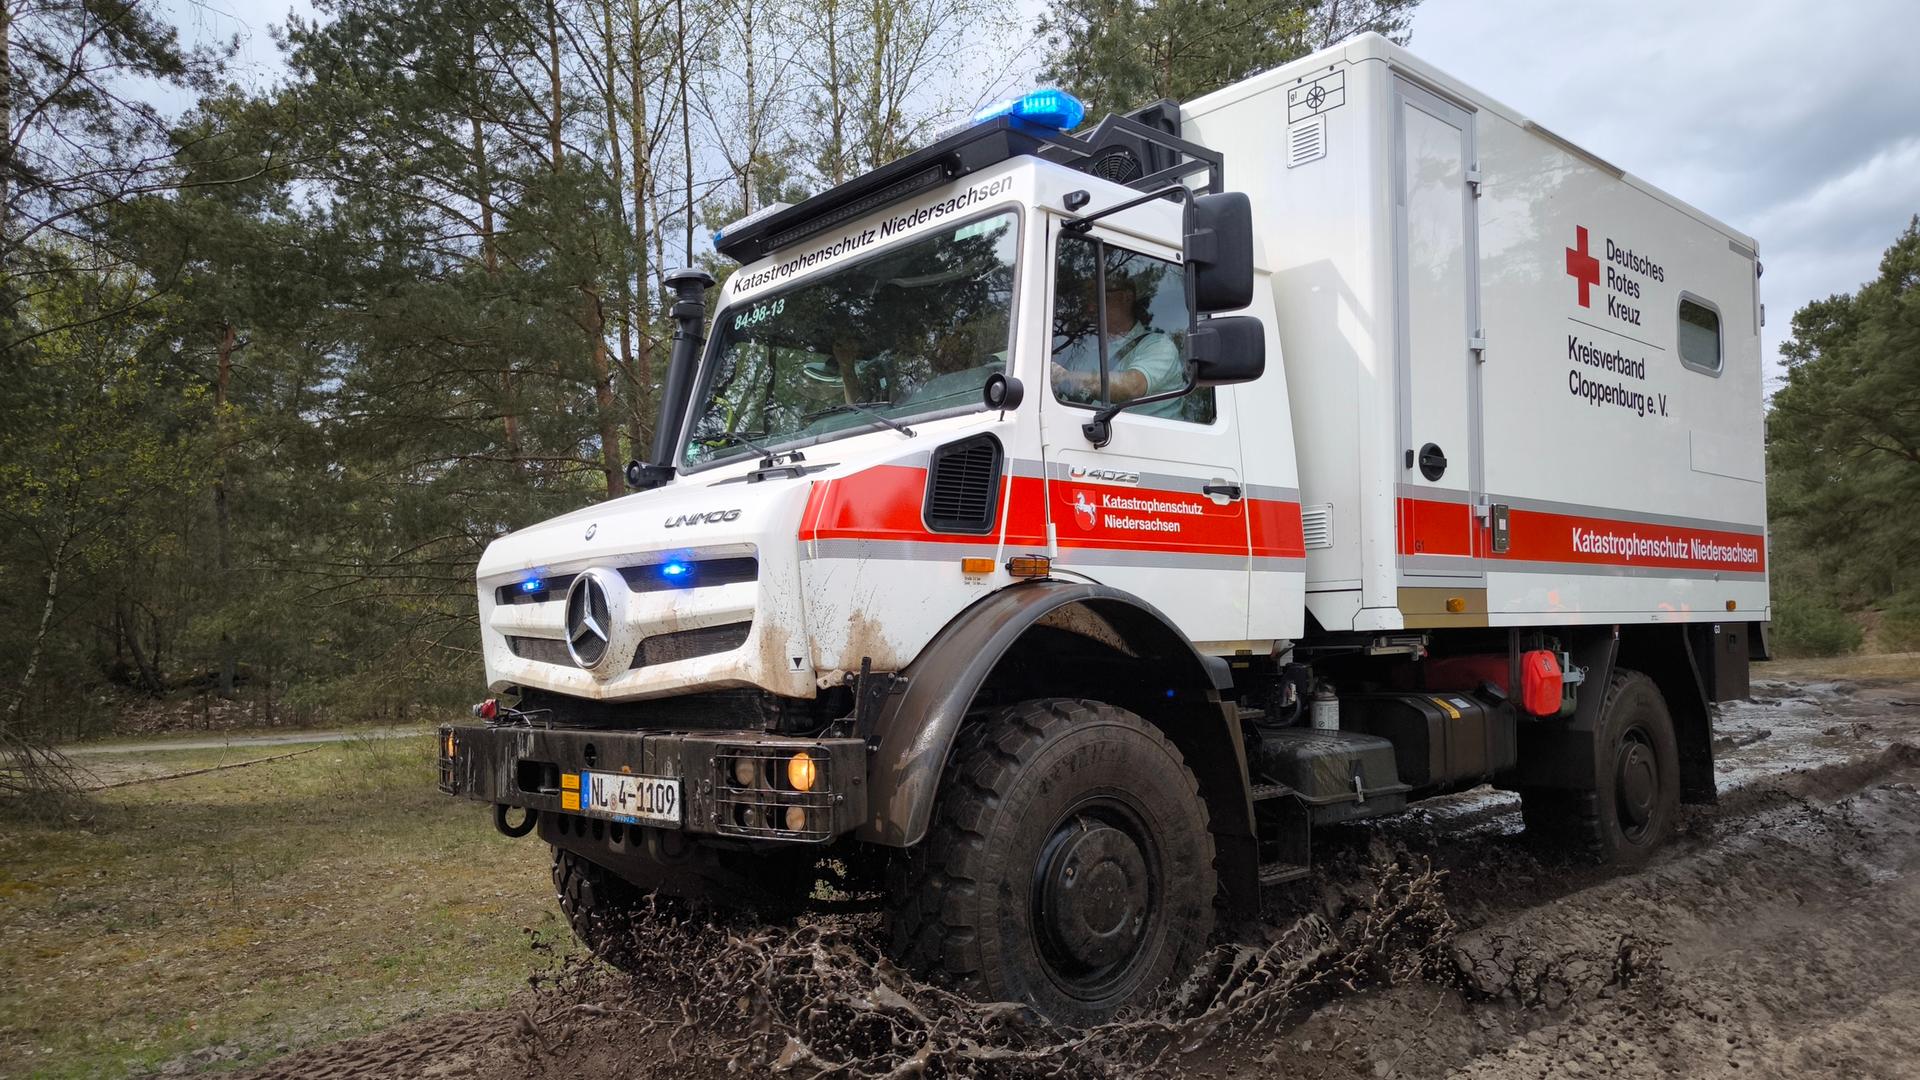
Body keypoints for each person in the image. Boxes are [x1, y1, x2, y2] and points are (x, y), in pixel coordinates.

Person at [1050, 269, 1185, 419]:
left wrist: (1066, 378)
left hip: (1148, 439)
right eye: (1087, 300)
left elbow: (1132, 386)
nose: (1091, 308)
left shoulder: (1159, 346)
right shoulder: (1086, 346)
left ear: (1126, 297)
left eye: (1099, 298)